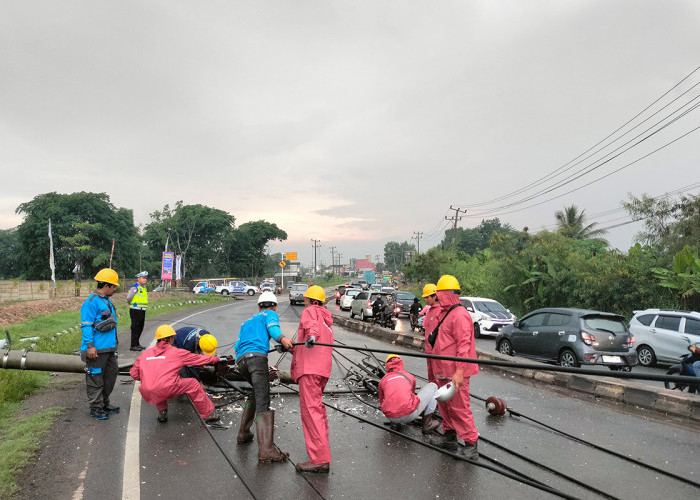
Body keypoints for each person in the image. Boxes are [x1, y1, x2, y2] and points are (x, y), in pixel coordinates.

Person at [234, 291, 294, 463]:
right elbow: (273, 329)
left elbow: (238, 345)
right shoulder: (270, 314)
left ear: (258, 306)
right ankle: (266, 450)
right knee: (263, 402)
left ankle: (244, 433)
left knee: (255, 393)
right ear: (274, 306)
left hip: (241, 361)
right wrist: (283, 340)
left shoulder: (246, 322)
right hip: (257, 360)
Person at [423, 275, 479, 459]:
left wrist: (460, 371)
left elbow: (464, 346)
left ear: (448, 293)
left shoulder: (460, 315)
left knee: (460, 407)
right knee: (445, 405)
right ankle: (449, 437)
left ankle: (471, 444)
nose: (437, 296)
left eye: (440, 292)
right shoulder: (442, 312)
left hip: (455, 372)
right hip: (442, 369)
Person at [129, 324, 221, 424]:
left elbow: (134, 373)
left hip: (147, 391)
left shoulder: (145, 354)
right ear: (171, 339)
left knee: (156, 383)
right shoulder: (176, 352)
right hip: (168, 388)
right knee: (193, 383)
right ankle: (208, 414)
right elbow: (198, 358)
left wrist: (147, 378)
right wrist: (217, 359)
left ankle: (162, 413)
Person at [290, 285, 334, 473]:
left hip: (309, 371)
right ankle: (321, 454)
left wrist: (312, 336)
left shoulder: (311, 312)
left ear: (310, 301)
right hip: (321, 372)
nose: (304, 303)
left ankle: (320, 459)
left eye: (306, 300)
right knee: (317, 410)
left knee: (311, 412)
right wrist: (291, 348)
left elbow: (311, 328)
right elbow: (310, 342)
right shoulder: (327, 322)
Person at [80, 268, 121, 420]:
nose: (114, 289)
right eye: (114, 286)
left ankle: (104, 403)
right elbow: (86, 325)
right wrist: (90, 347)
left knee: (110, 377)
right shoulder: (91, 302)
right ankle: (96, 408)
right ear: (107, 285)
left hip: (108, 349)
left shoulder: (106, 300)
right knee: (95, 380)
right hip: (96, 350)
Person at [379, 354, 440, 433]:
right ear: (401, 363)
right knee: (433, 385)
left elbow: (382, 401)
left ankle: (395, 424)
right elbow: (412, 396)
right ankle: (427, 423)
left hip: (391, 417)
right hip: (409, 414)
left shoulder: (383, 380)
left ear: (387, 365)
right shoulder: (410, 376)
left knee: (391, 400)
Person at [127, 271, 149, 351]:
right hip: (135, 310)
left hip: (142, 310)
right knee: (135, 327)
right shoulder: (135, 287)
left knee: (140, 327)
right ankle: (133, 345)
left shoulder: (144, 288)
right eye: (143, 278)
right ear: (138, 278)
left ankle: (137, 344)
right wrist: (132, 305)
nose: (145, 280)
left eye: (146, 278)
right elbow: (129, 298)